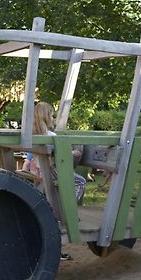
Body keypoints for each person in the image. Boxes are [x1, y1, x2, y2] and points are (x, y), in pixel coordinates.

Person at [21, 102, 87, 260]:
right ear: (46, 117)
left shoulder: (32, 134)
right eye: (51, 114)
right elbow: (61, 156)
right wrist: (75, 153)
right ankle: (68, 210)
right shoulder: (51, 136)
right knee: (80, 182)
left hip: (38, 171)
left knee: (49, 200)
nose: (53, 118)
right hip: (50, 171)